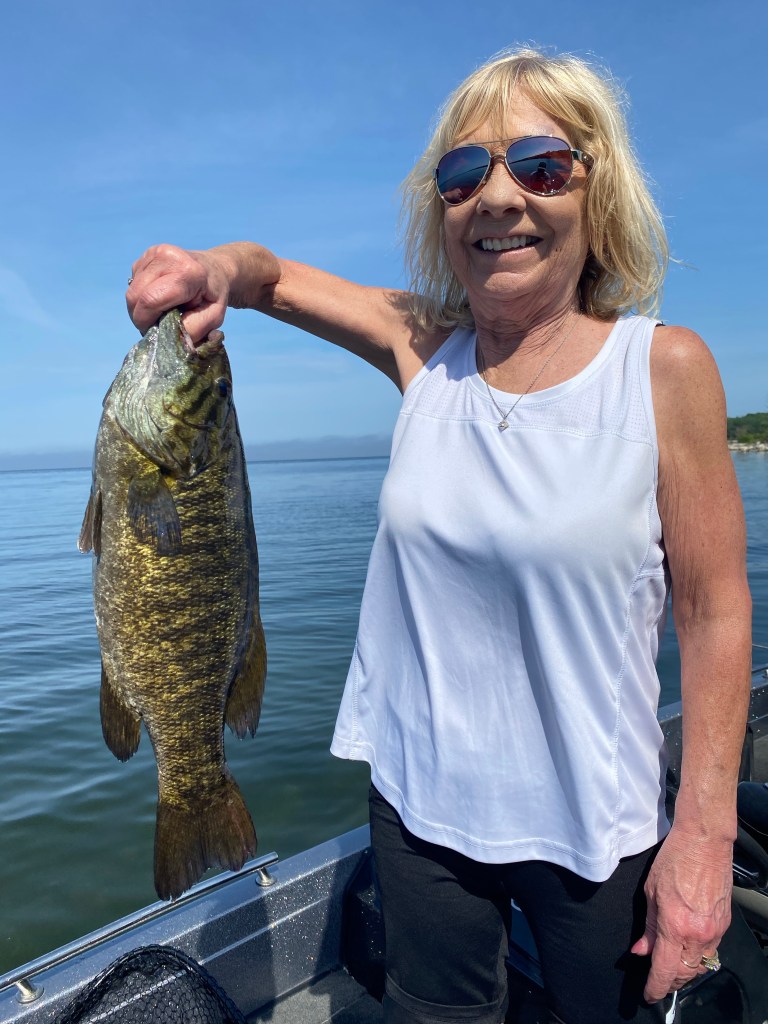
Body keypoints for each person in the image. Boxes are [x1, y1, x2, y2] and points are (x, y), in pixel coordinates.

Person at [127, 48, 752, 1024]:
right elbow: (268, 277)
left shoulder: (662, 369)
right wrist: (210, 270)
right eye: (463, 175)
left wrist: (704, 838)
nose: (497, 197)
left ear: (599, 190)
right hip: (418, 810)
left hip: (596, 822)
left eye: (542, 165)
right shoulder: (425, 346)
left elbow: (714, 612)